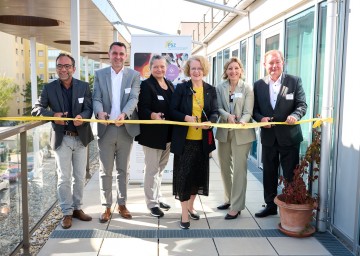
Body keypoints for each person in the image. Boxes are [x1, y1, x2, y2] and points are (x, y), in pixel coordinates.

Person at [31, 53, 94, 229]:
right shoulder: (49, 88)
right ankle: (66, 212)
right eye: (60, 66)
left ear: (73, 68)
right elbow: (36, 109)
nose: (63, 69)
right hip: (62, 138)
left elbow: (89, 108)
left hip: (81, 138)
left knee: (79, 177)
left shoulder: (84, 86)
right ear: (56, 68)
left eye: (67, 66)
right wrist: (53, 115)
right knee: (64, 178)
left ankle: (77, 208)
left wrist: (83, 116)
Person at [253, 49, 307, 218]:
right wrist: (261, 119)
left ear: (283, 63)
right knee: (269, 172)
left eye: (277, 62)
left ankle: (291, 205)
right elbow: (254, 110)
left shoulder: (294, 81)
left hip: (289, 137)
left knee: (290, 173)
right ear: (264, 65)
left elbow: (302, 104)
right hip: (269, 137)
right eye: (270, 63)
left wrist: (295, 115)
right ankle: (270, 205)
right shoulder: (258, 85)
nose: (274, 66)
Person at [93, 42, 140, 223]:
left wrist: (124, 114)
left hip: (125, 129)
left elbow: (134, 98)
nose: (118, 57)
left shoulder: (134, 76)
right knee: (106, 171)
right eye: (115, 53)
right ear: (109, 54)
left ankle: (122, 204)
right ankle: (106, 206)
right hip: (106, 130)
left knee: (123, 170)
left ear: (126, 56)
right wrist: (99, 112)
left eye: (121, 54)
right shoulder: (100, 74)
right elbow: (96, 97)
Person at [170, 55, 218, 229]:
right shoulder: (182, 88)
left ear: (204, 70)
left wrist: (210, 121)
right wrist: (186, 117)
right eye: (193, 68)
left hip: (202, 141)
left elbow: (214, 111)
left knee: (197, 176)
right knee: (184, 177)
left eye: (199, 68)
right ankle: (184, 213)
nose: (196, 71)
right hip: (185, 141)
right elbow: (172, 110)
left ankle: (191, 206)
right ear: (188, 70)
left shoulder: (210, 90)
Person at [215, 57, 255, 219]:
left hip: (242, 133)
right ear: (226, 71)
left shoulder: (247, 88)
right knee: (225, 168)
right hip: (224, 131)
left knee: (239, 170)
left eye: (236, 68)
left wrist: (242, 122)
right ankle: (229, 199)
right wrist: (227, 116)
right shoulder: (220, 87)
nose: (233, 71)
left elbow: (248, 112)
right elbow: (217, 107)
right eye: (230, 68)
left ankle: (237, 206)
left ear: (241, 70)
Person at [136, 55, 174, 218]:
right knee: (151, 170)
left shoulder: (170, 84)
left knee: (160, 169)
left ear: (166, 68)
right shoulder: (146, 85)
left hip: (167, 135)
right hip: (152, 135)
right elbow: (142, 108)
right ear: (150, 68)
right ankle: (151, 203)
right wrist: (152, 115)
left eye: (162, 66)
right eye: (156, 66)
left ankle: (158, 197)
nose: (159, 69)